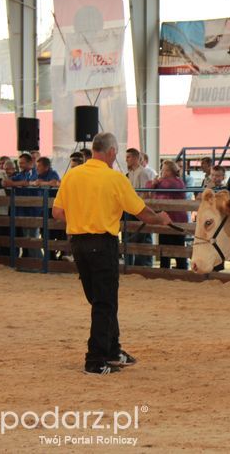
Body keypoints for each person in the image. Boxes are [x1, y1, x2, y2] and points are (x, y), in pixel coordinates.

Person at [52, 132, 172, 375]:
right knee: (104, 302)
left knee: (101, 300)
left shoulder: (72, 175)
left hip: (78, 244)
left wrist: (81, 219)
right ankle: (95, 360)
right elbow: (142, 212)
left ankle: (113, 350)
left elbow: (57, 212)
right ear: (111, 152)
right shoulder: (115, 178)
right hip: (102, 244)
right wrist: (160, 219)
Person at [146, 160, 188, 270]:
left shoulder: (177, 182)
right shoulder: (165, 182)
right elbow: (148, 185)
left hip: (176, 220)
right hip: (165, 219)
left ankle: (181, 269)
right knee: (164, 248)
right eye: (162, 169)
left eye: (164, 170)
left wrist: (155, 183)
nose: (162, 172)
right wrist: (154, 183)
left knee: (178, 248)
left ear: (170, 171)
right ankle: (164, 270)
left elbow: (166, 185)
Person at [124, 148, 153, 267]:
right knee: (131, 237)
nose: (126, 160)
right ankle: (131, 264)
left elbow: (145, 193)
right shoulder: (130, 173)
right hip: (131, 208)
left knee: (141, 237)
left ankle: (142, 265)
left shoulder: (142, 173)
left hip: (138, 208)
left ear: (136, 158)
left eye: (128, 157)